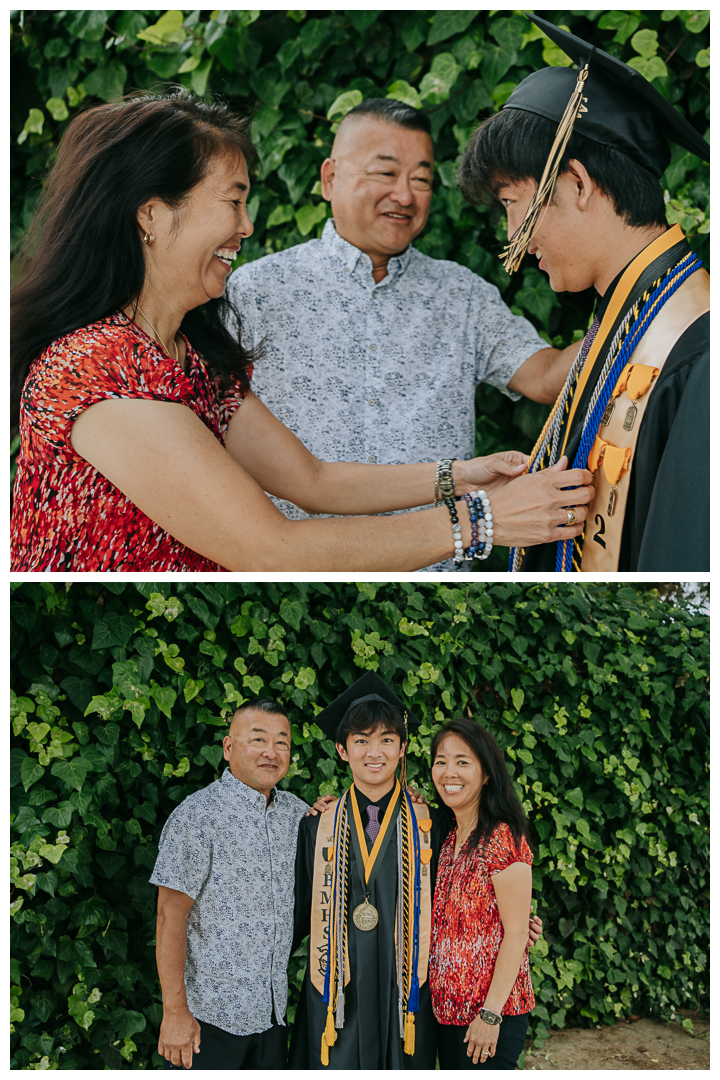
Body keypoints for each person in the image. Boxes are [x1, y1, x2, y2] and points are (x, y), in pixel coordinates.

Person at [10, 89, 595, 573]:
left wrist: (458, 476)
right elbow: (272, 546)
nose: (247, 225)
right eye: (232, 201)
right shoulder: (94, 370)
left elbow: (313, 481)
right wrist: (483, 519)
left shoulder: (193, 361)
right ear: (152, 214)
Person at [228, 97, 583, 571]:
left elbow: (545, 376)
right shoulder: (254, 291)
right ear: (330, 178)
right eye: (385, 173)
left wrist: (639, 296)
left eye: (421, 179)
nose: (405, 195)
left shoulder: (462, 294)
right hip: (301, 576)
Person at [457, 14, 710, 573]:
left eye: (511, 203)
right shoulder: (624, 320)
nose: (511, 239)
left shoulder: (697, 350)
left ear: (575, 183)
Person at [288, 672, 542, 1069]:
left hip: (407, 995)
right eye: (361, 741)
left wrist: (518, 925)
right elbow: (300, 914)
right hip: (340, 993)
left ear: (402, 748)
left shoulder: (432, 824)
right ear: (342, 750)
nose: (375, 753)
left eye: (387, 740)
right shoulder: (316, 827)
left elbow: (466, 902)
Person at [149, 699, 309, 1070]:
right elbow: (169, 916)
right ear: (228, 747)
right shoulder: (197, 816)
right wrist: (174, 1011)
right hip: (208, 1020)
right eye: (258, 739)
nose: (271, 752)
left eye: (282, 742)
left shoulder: (297, 815)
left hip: (271, 1017)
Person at [429, 717, 535, 1070]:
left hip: (489, 1017)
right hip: (448, 1015)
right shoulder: (446, 842)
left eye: (463, 762)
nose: (449, 773)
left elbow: (518, 931)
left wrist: (489, 1016)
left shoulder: (501, 837)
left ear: (486, 773)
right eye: (441, 761)